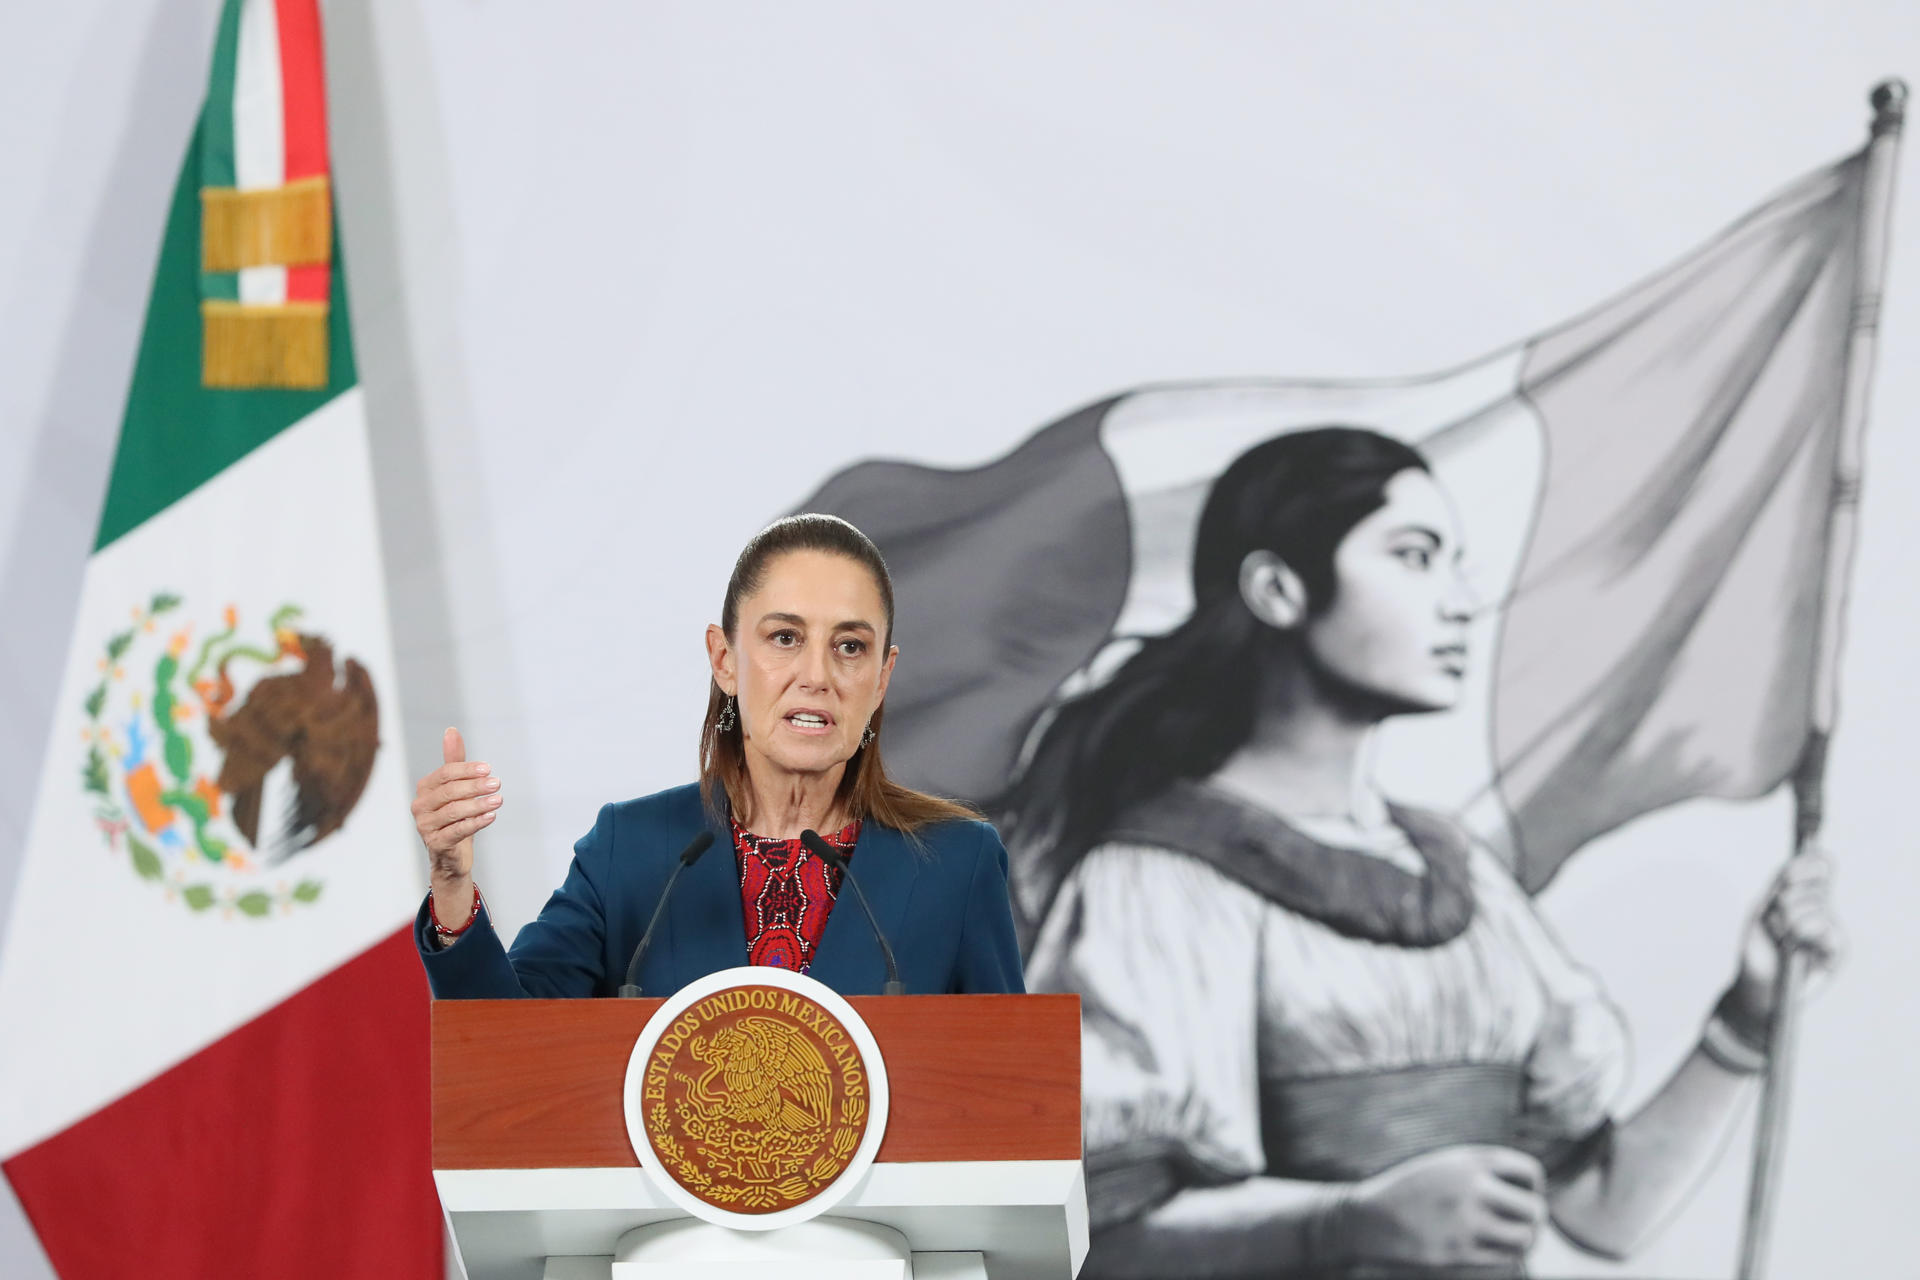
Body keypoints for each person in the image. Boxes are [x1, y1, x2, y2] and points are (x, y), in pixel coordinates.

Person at [1005, 428, 1840, 1278]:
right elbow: (1082, 1237)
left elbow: (1601, 1211)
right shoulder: (1157, 881)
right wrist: (1339, 1225)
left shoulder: (1462, 874)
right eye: (1414, 556)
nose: (1458, 600)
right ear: (1278, 589)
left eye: (1455, 561)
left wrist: (1748, 1015)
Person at [411, 513, 1025, 998]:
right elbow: (505, 1048)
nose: (817, 674)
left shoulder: (957, 864)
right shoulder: (629, 851)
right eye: (785, 638)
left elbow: (1009, 1102)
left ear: (883, 677)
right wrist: (452, 882)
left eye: (850, 646)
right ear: (724, 659)